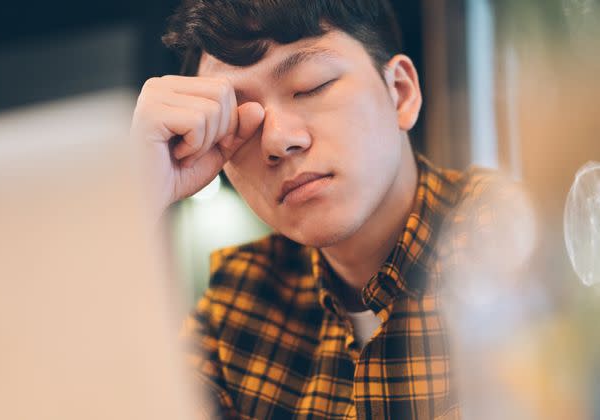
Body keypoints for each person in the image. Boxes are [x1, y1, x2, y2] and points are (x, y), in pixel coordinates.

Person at [129, 1, 497, 418]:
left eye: (310, 88)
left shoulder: (514, 240)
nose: (277, 141)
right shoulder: (239, 305)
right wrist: (135, 199)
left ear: (401, 93)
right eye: (239, 122)